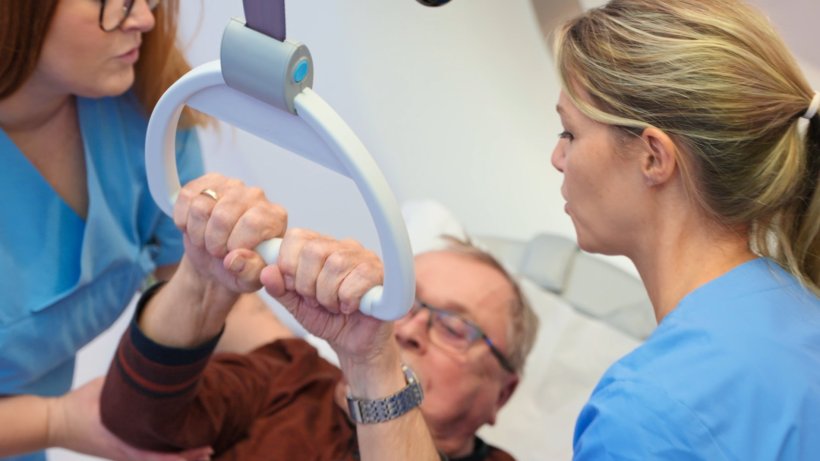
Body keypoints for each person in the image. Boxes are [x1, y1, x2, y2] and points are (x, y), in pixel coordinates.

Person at [241, 0, 820, 460]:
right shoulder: (797, 307)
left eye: (570, 133)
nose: (556, 157)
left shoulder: (647, 413)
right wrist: (371, 359)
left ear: (653, 158)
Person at [0, 1, 286, 459]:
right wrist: (59, 422)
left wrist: (318, 366)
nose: (145, 19)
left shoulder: (141, 112)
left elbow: (201, 284)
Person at [99, 232, 538, 460]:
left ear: (503, 393)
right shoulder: (291, 376)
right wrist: (199, 276)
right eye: (404, 302)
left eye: (454, 328)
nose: (408, 331)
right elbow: (134, 419)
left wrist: (373, 366)